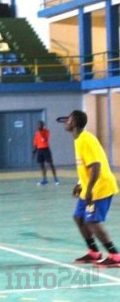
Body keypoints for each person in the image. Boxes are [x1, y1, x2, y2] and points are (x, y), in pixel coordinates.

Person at [63, 110, 119, 267]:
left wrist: (89, 190)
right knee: (79, 217)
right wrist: (80, 183)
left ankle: (115, 255)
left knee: (92, 222)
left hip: (100, 188)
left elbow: (96, 166)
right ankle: (94, 253)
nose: (66, 122)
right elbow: (86, 166)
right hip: (89, 187)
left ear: (74, 122)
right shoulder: (79, 140)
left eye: (68, 119)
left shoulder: (86, 139)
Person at [34, 120, 59, 186]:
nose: (38, 126)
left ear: (43, 125)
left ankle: (55, 178)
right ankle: (44, 180)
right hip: (39, 150)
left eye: (40, 125)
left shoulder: (46, 131)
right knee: (41, 165)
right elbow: (36, 143)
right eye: (38, 125)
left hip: (46, 149)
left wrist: (40, 132)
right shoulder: (36, 133)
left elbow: (45, 139)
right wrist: (34, 151)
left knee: (51, 164)